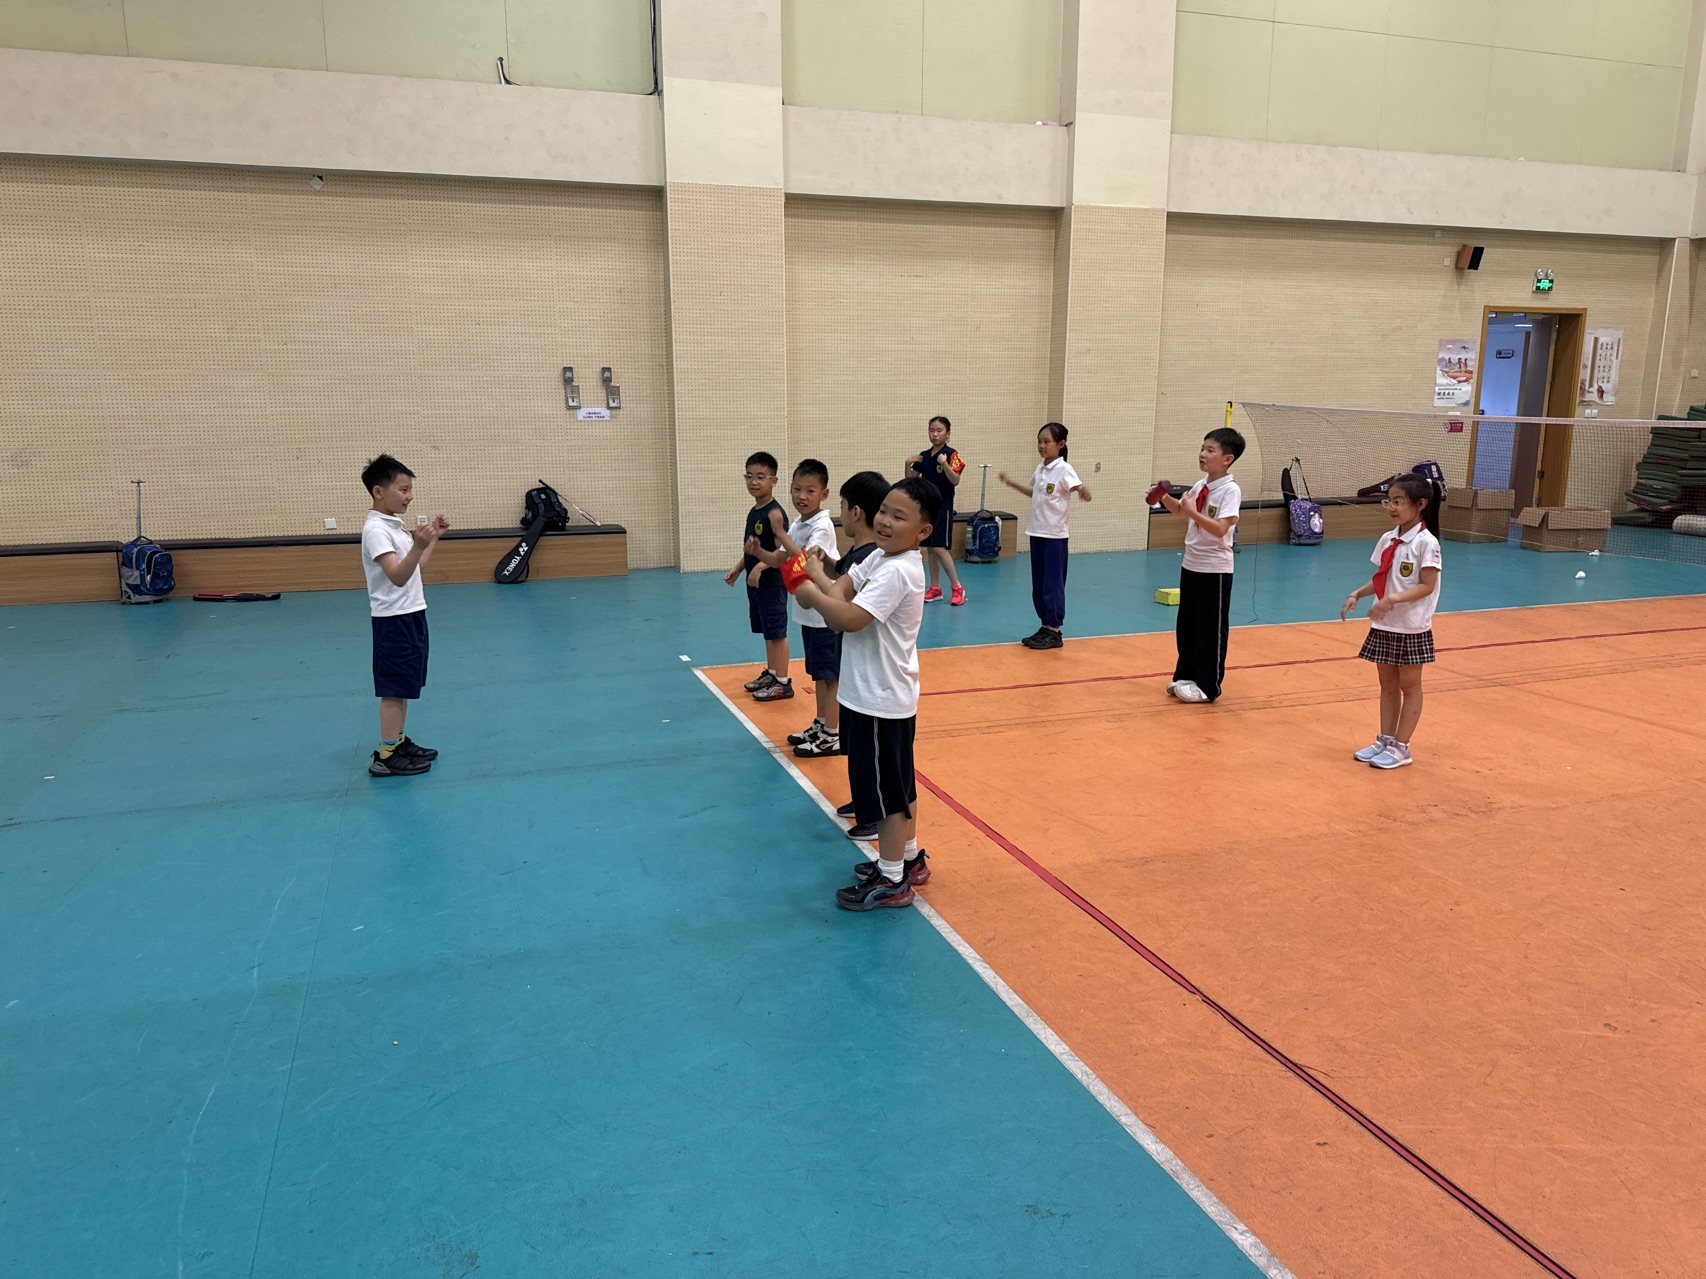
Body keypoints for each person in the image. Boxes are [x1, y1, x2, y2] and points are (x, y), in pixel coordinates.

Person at [787, 477, 938, 909]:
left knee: (888, 796)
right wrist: (820, 579)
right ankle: (907, 859)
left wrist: (811, 592)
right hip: (874, 695)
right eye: (884, 511)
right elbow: (841, 591)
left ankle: (892, 879)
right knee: (899, 786)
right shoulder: (880, 556)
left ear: (923, 531)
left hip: (880, 700)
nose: (885, 521)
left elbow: (849, 618)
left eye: (899, 517)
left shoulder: (897, 570)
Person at [1339, 472, 1444, 770]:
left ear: (1420, 504)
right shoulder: (1388, 539)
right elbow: (1383, 578)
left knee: (1409, 686)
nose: (1392, 507)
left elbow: (1427, 586)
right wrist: (1357, 594)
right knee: (1387, 685)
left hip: (1410, 626)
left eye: (1399, 502)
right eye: (1389, 501)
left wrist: (1392, 600)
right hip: (1384, 624)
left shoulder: (1427, 543)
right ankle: (1385, 739)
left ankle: (1402, 746)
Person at [745, 459, 844, 752]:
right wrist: (759, 552)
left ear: (824, 494)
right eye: (797, 489)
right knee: (818, 674)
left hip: (825, 614)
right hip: (808, 613)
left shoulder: (822, 526)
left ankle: (831, 733)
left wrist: (780, 533)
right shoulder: (801, 523)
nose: (802, 496)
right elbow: (781, 559)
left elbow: (805, 560)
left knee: (830, 677)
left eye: (810, 491)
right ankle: (821, 723)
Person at [360, 453, 449, 778]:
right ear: (378, 491)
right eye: (403, 489)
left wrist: (431, 540)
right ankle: (386, 755)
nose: (409, 496)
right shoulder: (376, 530)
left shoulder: (392, 526)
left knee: (404, 685)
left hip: (411, 614)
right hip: (393, 619)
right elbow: (397, 576)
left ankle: (397, 742)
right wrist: (417, 545)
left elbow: (415, 568)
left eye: (410, 489)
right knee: (393, 689)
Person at [1160, 427, 1245, 703]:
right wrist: (1163, 497)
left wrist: (1192, 511)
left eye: (1210, 450)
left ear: (1227, 459)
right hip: (1191, 564)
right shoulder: (1201, 485)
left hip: (1215, 569)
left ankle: (1208, 686)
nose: (1203, 454)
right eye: (1202, 448)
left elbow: (1220, 529)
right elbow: (1180, 510)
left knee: (1211, 629)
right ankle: (1186, 675)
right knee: (1187, 625)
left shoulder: (1230, 490)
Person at [999, 422, 1090, 649]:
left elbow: (1076, 487)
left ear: (1061, 444)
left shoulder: (1064, 469)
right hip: (1037, 532)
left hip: (1055, 537)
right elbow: (1035, 493)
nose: (1042, 445)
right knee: (1038, 584)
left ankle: (1055, 630)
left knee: (1052, 584)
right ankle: (1046, 625)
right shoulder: (1041, 468)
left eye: (1047, 441)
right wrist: (1012, 484)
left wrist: (1082, 491)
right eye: (1039, 441)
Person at [724, 451, 791, 701]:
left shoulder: (775, 514)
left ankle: (783, 683)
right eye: (749, 476)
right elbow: (752, 549)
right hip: (756, 584)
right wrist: (739, 567)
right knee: (767, 631)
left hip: (772, 583)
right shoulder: (754, 511)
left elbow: (782, 551)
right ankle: (772, 674)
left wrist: (760, 568)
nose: (754, 481)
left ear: (774, 480)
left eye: (761, 476)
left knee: (777, 632)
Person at [906, 415, 967, 605]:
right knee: (931, 549)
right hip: (927, 508)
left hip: (943, 508)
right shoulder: (924, 456)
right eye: (931, 430)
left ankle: (957, 587)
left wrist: (944, 464)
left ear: (947, 434)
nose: (935, 434)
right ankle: (935, 588)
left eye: (939, 430)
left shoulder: (952, 455)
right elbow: (911, 480)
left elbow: (955, 480)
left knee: (940, 548)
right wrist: (907, 464)